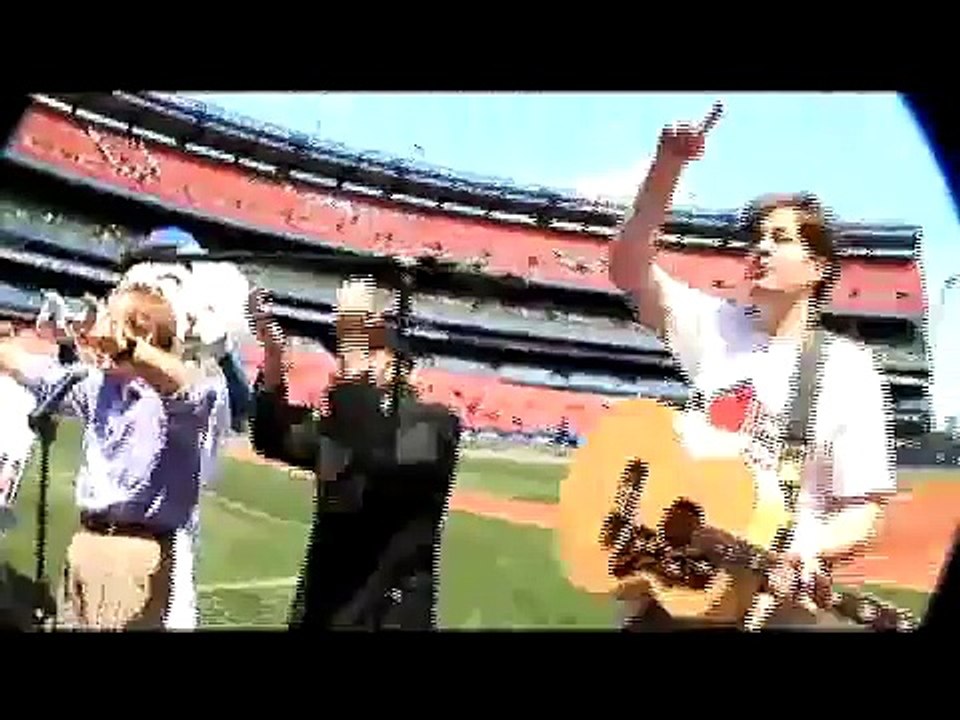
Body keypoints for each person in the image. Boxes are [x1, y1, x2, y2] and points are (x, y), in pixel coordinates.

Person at [607, 102, 897, 630]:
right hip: (673, 583)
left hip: (765, 601)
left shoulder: (847, 369)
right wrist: (668, 166)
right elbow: (628, 268)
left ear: (819, 267)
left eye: (780, 239)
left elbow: (863, 509)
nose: (759, 249)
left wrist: (810, 548)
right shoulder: (716, 325)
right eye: (757, 238)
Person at [0, 284, 218, 629]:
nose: (97, 332)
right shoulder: (99, 387)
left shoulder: (175, 400)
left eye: (108, 321)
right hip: (88, 543)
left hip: (131, 552)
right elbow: (31, 371)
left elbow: (185, 386)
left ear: (141, 332)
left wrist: (129, 348)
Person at [249, 278, 462, 630]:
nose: (348, 361)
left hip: (388, 612)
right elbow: (273, 438)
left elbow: (373, 447)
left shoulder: (434, 424)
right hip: (325, 609)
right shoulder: (340, 424)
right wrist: (274, 361)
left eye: (369, 350)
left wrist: (352, 341)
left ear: (401, 369)